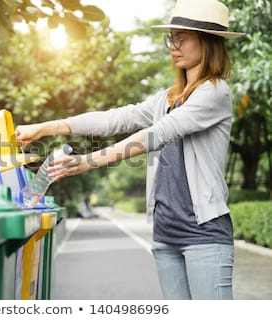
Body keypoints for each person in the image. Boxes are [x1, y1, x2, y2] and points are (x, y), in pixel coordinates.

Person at [15, 0, 245, 300]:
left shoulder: (215, 92)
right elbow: (115, 119)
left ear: (208, 42)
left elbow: (158, 134)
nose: (173, 45)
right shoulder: (167, 98)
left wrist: (88, 162)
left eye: (182, 38)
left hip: (203, 234)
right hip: (166, 233)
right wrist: (44, 127)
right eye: (171, 37)